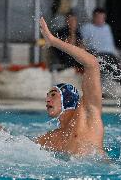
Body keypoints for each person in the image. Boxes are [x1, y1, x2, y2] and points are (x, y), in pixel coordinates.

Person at [36, 17, 105, 157]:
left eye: (53, 95)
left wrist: (54, 41)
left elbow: (92, 64)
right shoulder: (50, 138)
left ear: (68, 98)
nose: (47, 100)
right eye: (48, 95)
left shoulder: (88, 114)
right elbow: (18, 149)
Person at [80, 8, 121, 83]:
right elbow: (83, 44)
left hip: (111, 54)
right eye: (98, 17)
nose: (100, 20)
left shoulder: (107, 27)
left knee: (115, 65)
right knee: (108, 65)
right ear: (93, 17)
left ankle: (116, 85)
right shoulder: (87, 27)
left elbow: (111, 45)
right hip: (97, 53)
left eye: (102, 18)